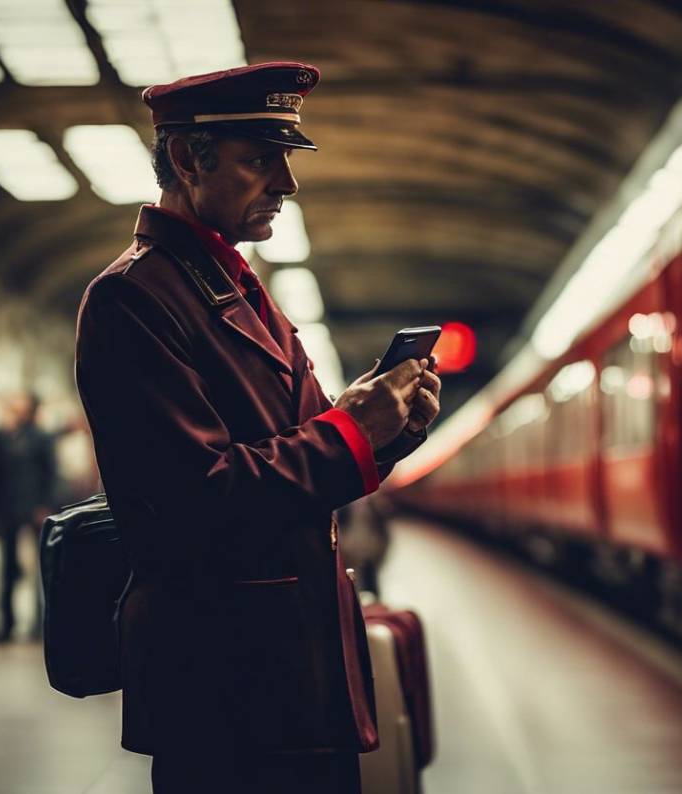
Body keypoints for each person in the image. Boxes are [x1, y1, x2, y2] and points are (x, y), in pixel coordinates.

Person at [74, 62, 441, 793]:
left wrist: (387, 428)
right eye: (259, 159)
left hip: (288, 666)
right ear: (186, 158)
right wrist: (349, 432)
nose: (286, 182)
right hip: (224, 676)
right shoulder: (135, 299)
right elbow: (196, 497)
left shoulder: (233, 289)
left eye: (286, 159)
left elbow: (296, 453)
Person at [0, 393, 57, 643]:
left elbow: (51, 473)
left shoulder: (41, 437)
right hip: (6, 512)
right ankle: (5, 623)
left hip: (33, 510)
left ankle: (41, 624)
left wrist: (45, 506)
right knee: (6, 569)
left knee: (40, 568)